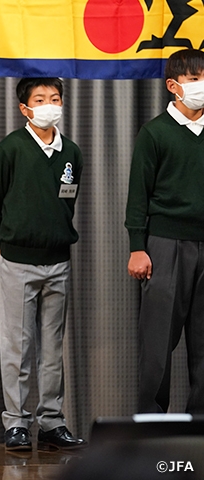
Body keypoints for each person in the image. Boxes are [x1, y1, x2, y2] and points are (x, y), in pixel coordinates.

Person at [0, 77, 86, 451]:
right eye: (39, 99)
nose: (48, 105)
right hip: (17, 262)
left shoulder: (70, 151)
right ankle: (16, 423)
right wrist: (1, 240)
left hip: (58, 262)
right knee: (18, 347)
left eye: (54, 98)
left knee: (53, 349)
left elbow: (66, 202)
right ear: (24, 108)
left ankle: (52, 422)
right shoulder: (11, 148)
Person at [126, 48, 204, 414]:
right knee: (157, 345)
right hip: (165, 246)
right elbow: (138, 196)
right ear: (174, 86)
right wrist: (137, 247)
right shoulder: (154, 133)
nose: (202, 86)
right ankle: (151, 428)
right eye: (194, 79)